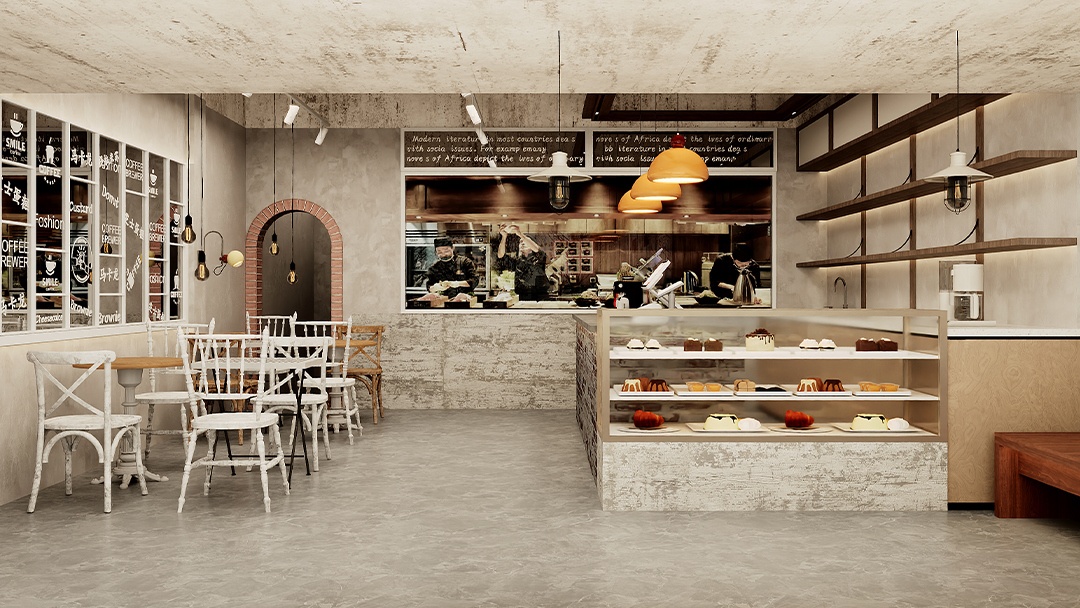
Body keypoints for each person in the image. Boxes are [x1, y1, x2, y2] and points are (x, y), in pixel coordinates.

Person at [495, 224, 549, 301]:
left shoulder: (539, 257)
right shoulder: (517, 260)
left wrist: (520, 234)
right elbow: (501, 255)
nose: (522, 243)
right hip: (522, 297)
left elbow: (537, 249)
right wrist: (504, 237)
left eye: (525, 241)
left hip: (540, 297)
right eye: (520, 242)